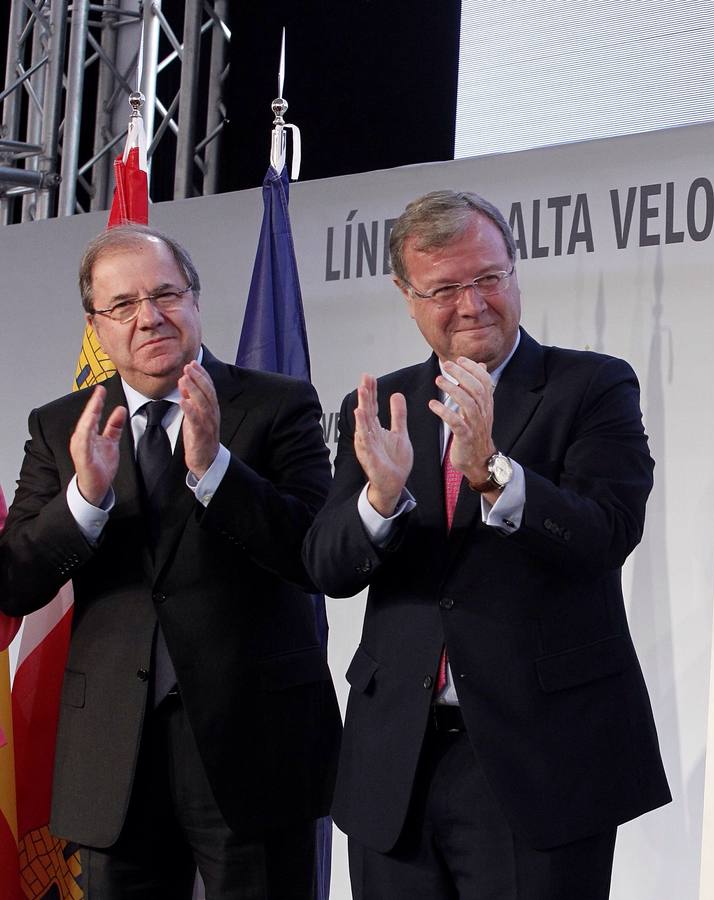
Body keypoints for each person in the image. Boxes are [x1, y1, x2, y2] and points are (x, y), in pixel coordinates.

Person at [303, 190, 670, 899]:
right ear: (406, 297)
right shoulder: (380, 408)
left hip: (538, 762)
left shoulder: (590, 386)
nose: (471, 304)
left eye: (488, 279)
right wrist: (380, 499)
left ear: (514, 272)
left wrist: (492, 472)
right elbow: (327, 566)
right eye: (444, 288)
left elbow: (606, 533)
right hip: (395, 765)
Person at [0, 225, 340, 897]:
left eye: (165, 294)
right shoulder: (61, 425)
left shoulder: (277, 403)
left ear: (194, 298)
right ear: (96, 328)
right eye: (122, 305)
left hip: (253, 743)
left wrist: (216, 468)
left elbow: (313, 554)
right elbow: (15, 580)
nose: (148, 316)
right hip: (112, 752)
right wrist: (84, 499)